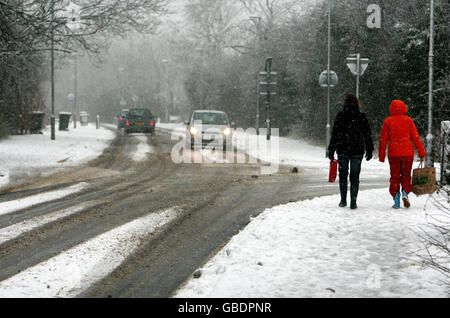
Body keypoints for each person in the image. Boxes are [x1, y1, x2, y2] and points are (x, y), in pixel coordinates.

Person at [328, 94, 374, 210]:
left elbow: (335, 134)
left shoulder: (340, 116)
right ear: (357, 103)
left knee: (343, 175)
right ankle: (353, 201)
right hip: (357, 150)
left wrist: (331, 149)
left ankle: (343, 200)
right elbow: (367, 134)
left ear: (345, 103)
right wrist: (369, 149)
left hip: (343, 149)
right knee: (355, 176)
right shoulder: (361, 116)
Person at [379, 100, 426, 209]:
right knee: (406, 175)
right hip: (407, 152)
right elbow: (416, 137)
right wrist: (421, 152)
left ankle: (396, 199)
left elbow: (383, 140)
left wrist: (381, 155)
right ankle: (405, 193)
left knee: (395, 176)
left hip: (394, 152)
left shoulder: (388, 121)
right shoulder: (408, 120)